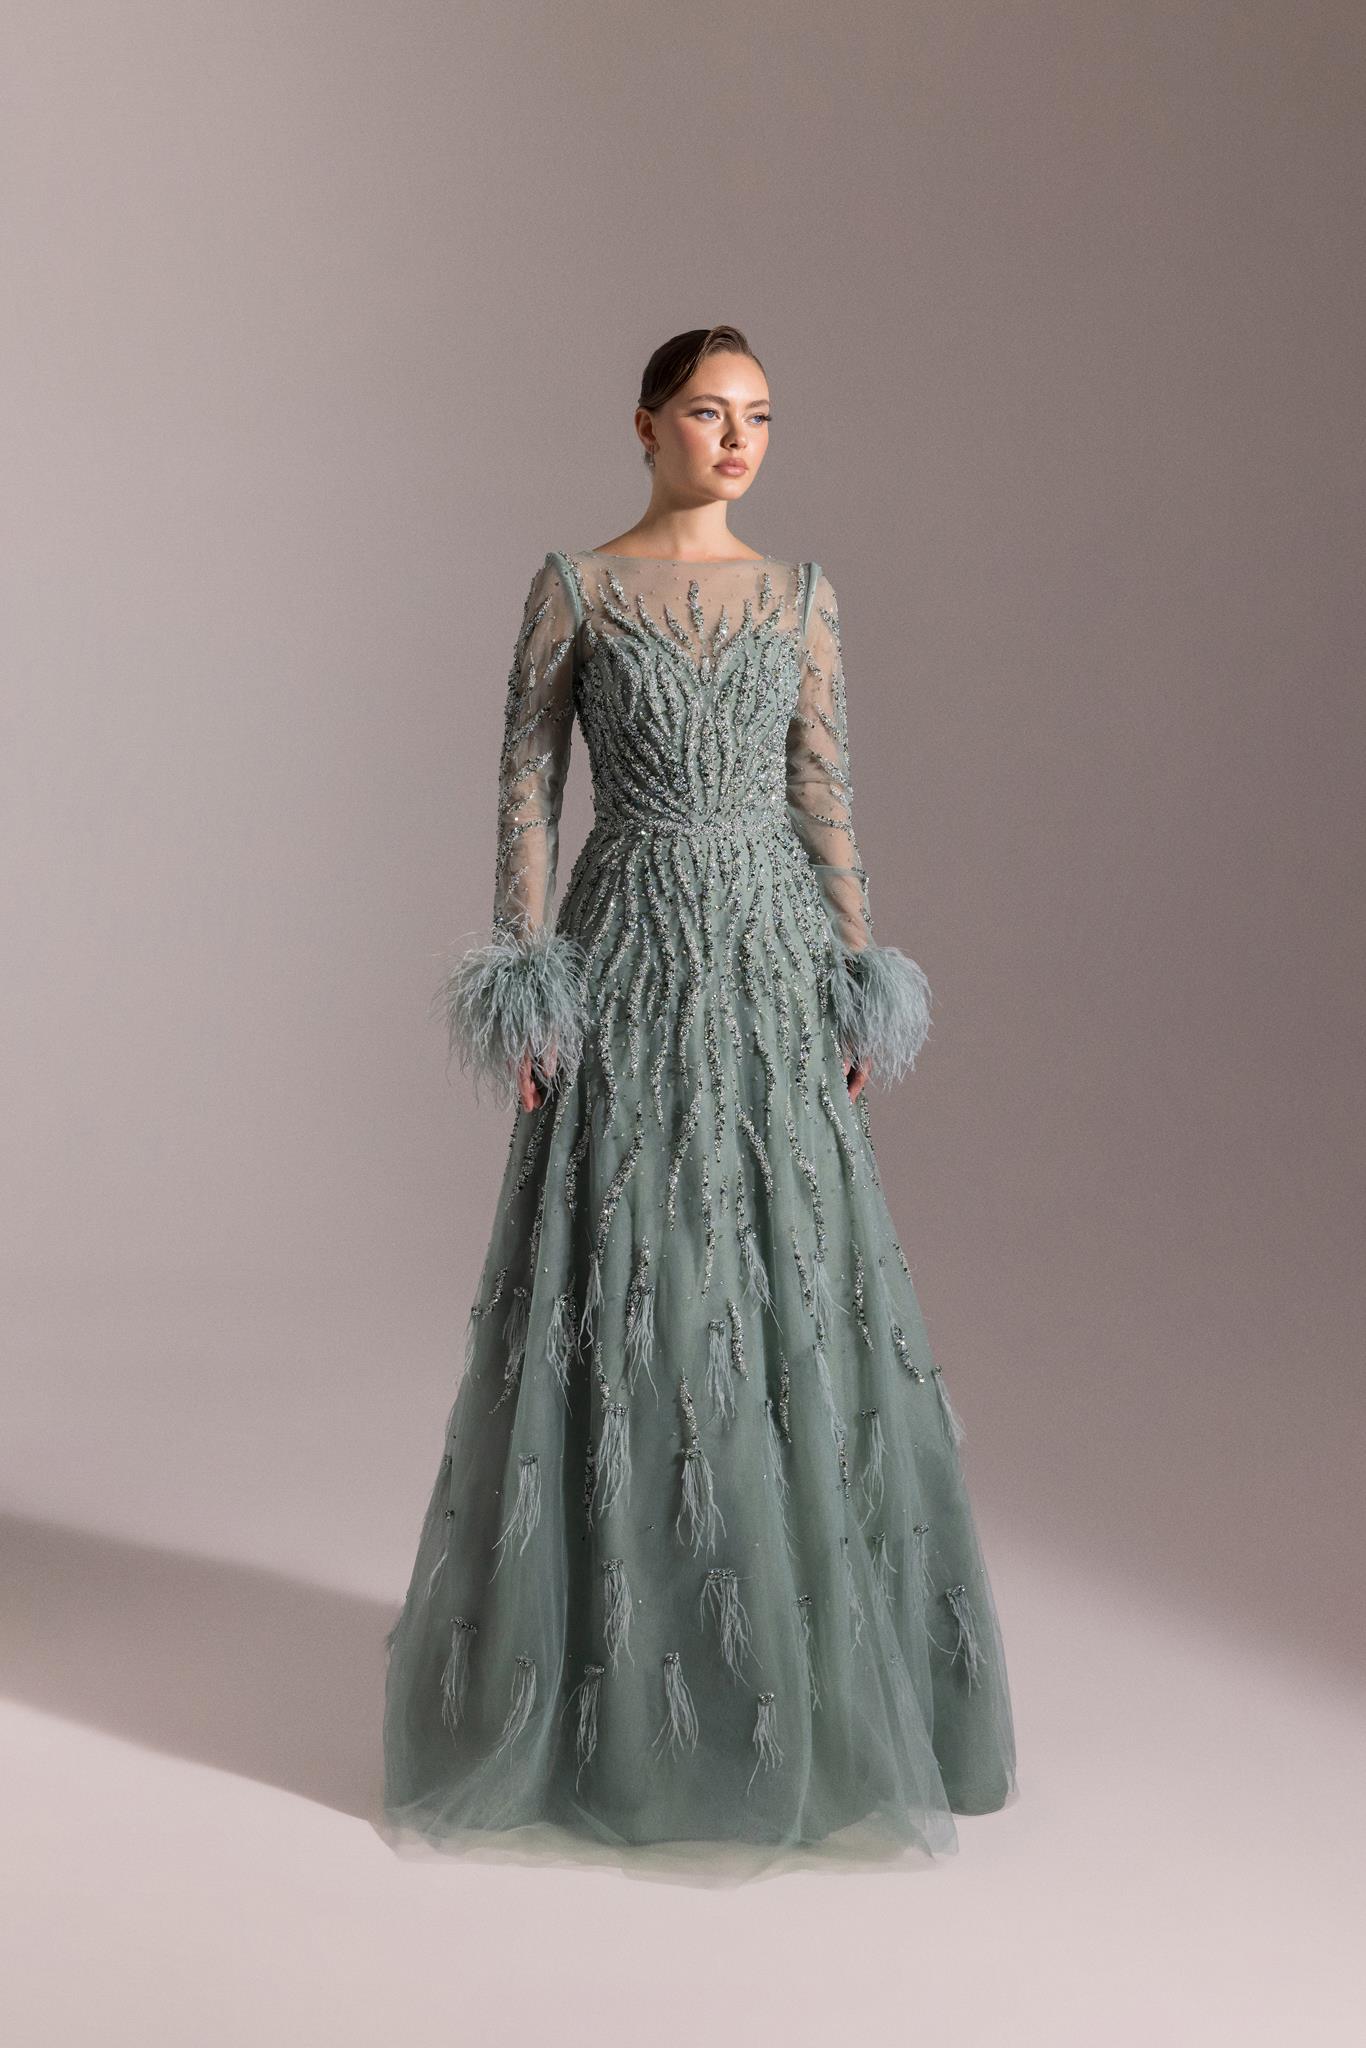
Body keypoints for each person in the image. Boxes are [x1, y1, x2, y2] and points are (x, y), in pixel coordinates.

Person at [380, 324, 1018, 1873]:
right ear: (646, 425)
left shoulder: (801, 597)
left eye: (760, 418)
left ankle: (798, 1674)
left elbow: (823, 789)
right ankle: (623, 1685)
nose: (738, 440)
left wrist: (857, 969)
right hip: (626, 946)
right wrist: (525, 972)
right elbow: (526, 786)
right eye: (708, 413)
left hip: (772, 955)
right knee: (630, 1270)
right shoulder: (577, 587)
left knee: (783, 1274)